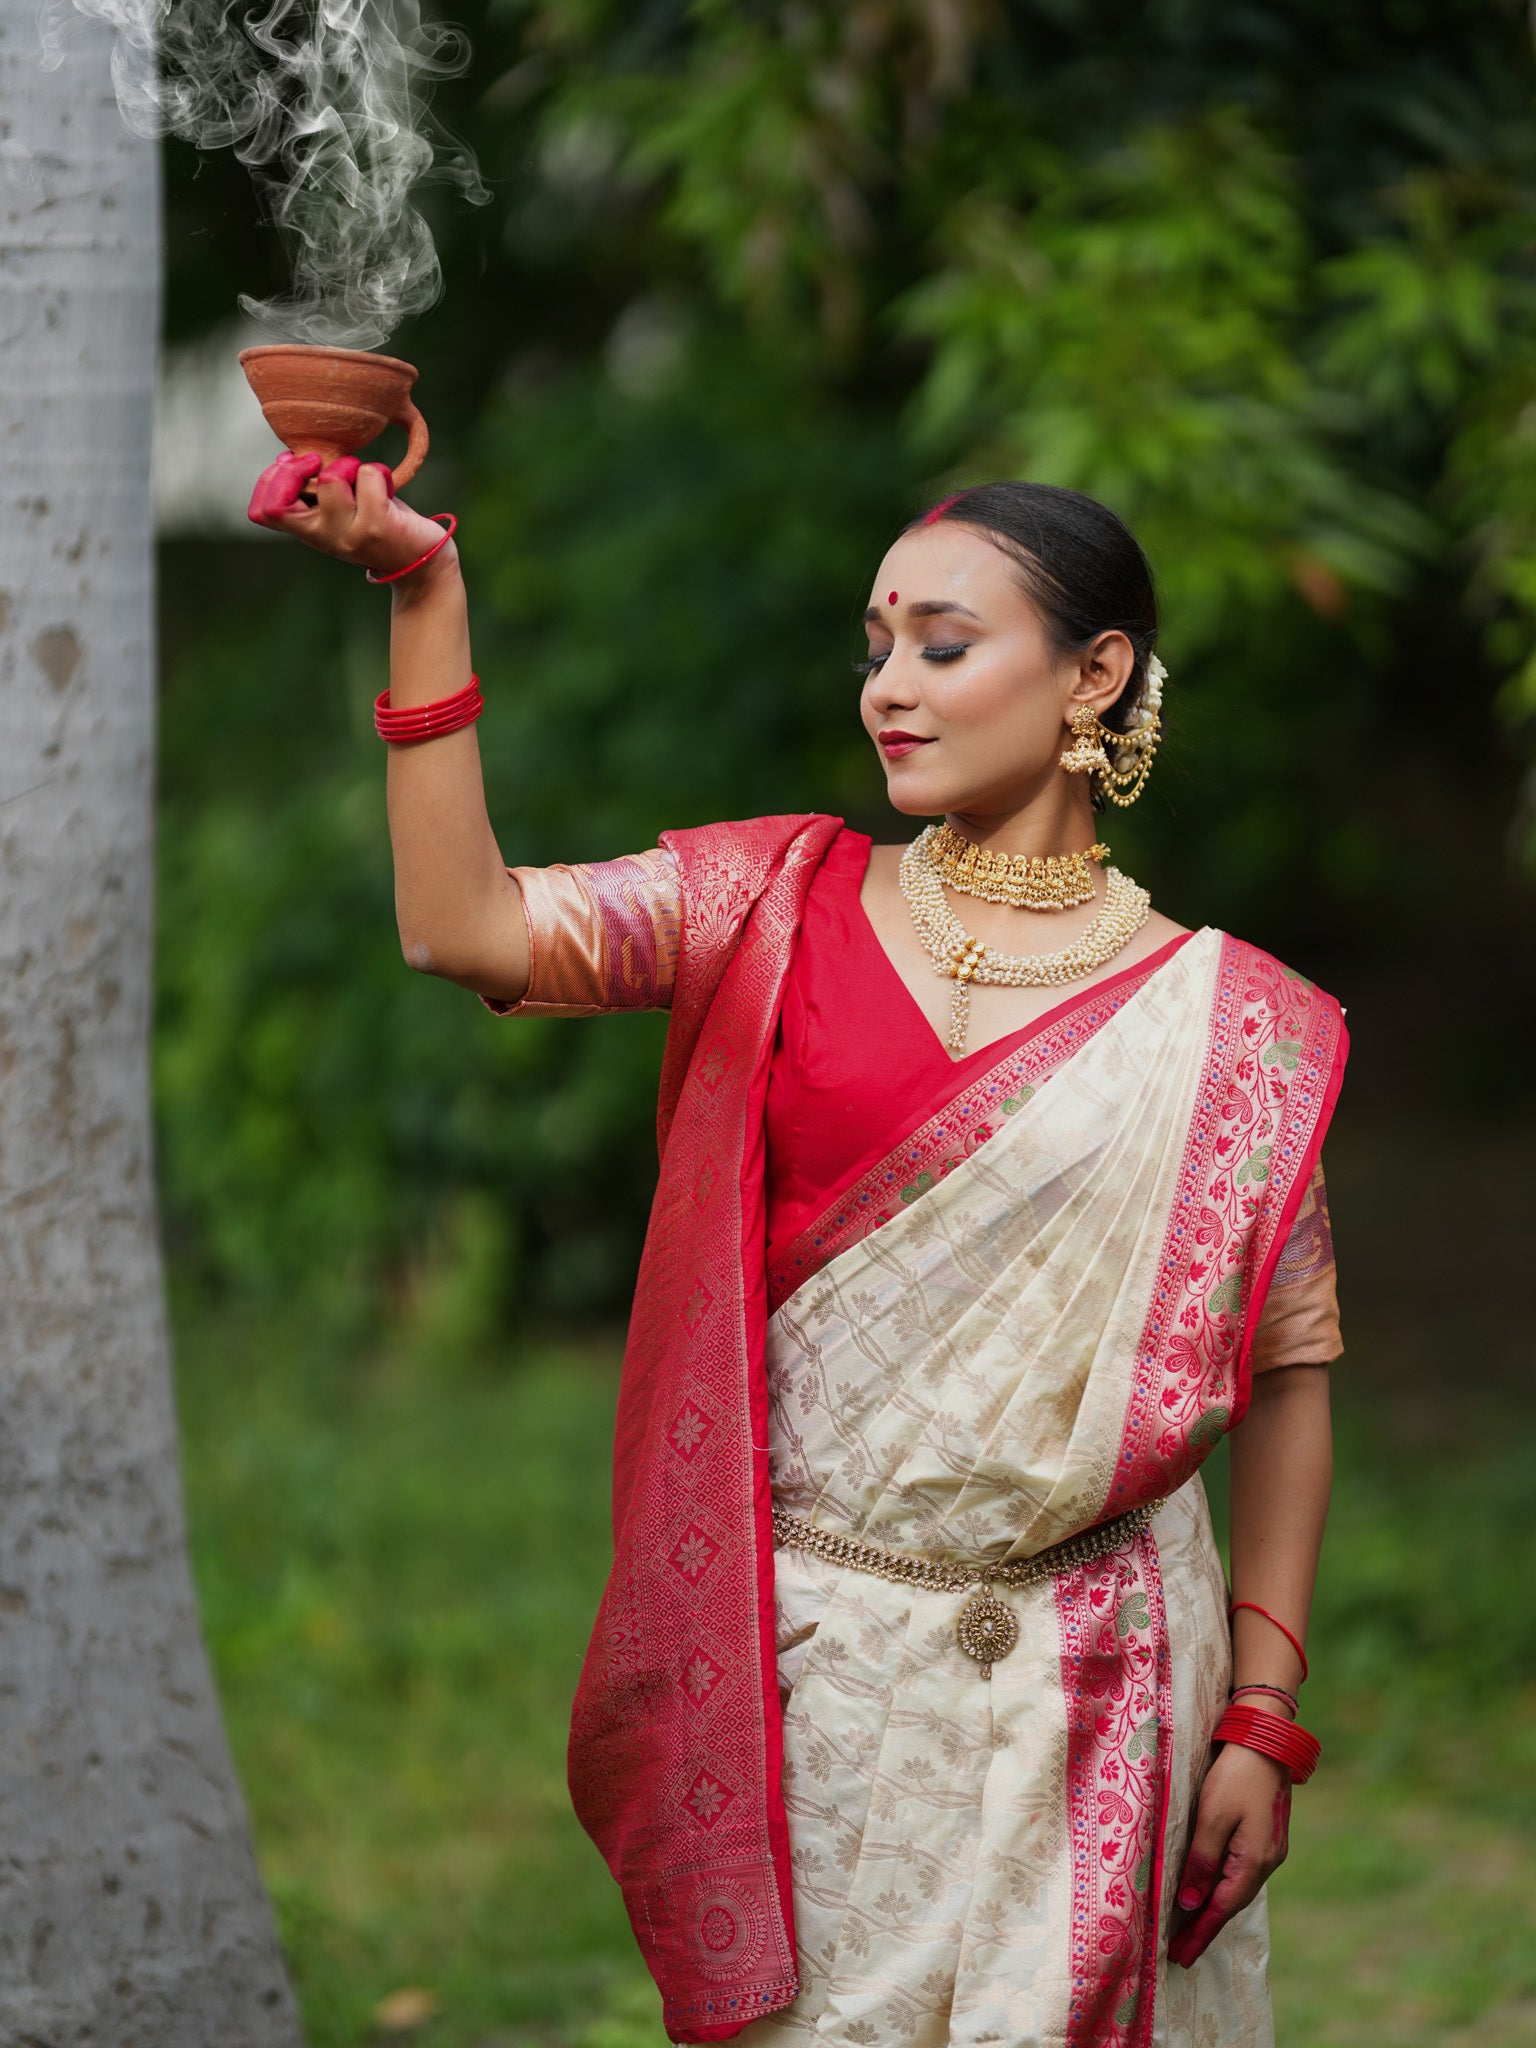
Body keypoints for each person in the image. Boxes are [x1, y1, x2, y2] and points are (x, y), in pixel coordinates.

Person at [248, 455, 1347, 2048]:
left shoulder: (1232, 1025)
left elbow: (1292, 1368)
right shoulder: (769, 902)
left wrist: (1264, 1716)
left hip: (1116, 1680)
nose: (889, 690)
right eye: (876, 647)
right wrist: (425, 594)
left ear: (1094, 674)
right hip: (821, 1676)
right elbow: (463, 928)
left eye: (942, 646)